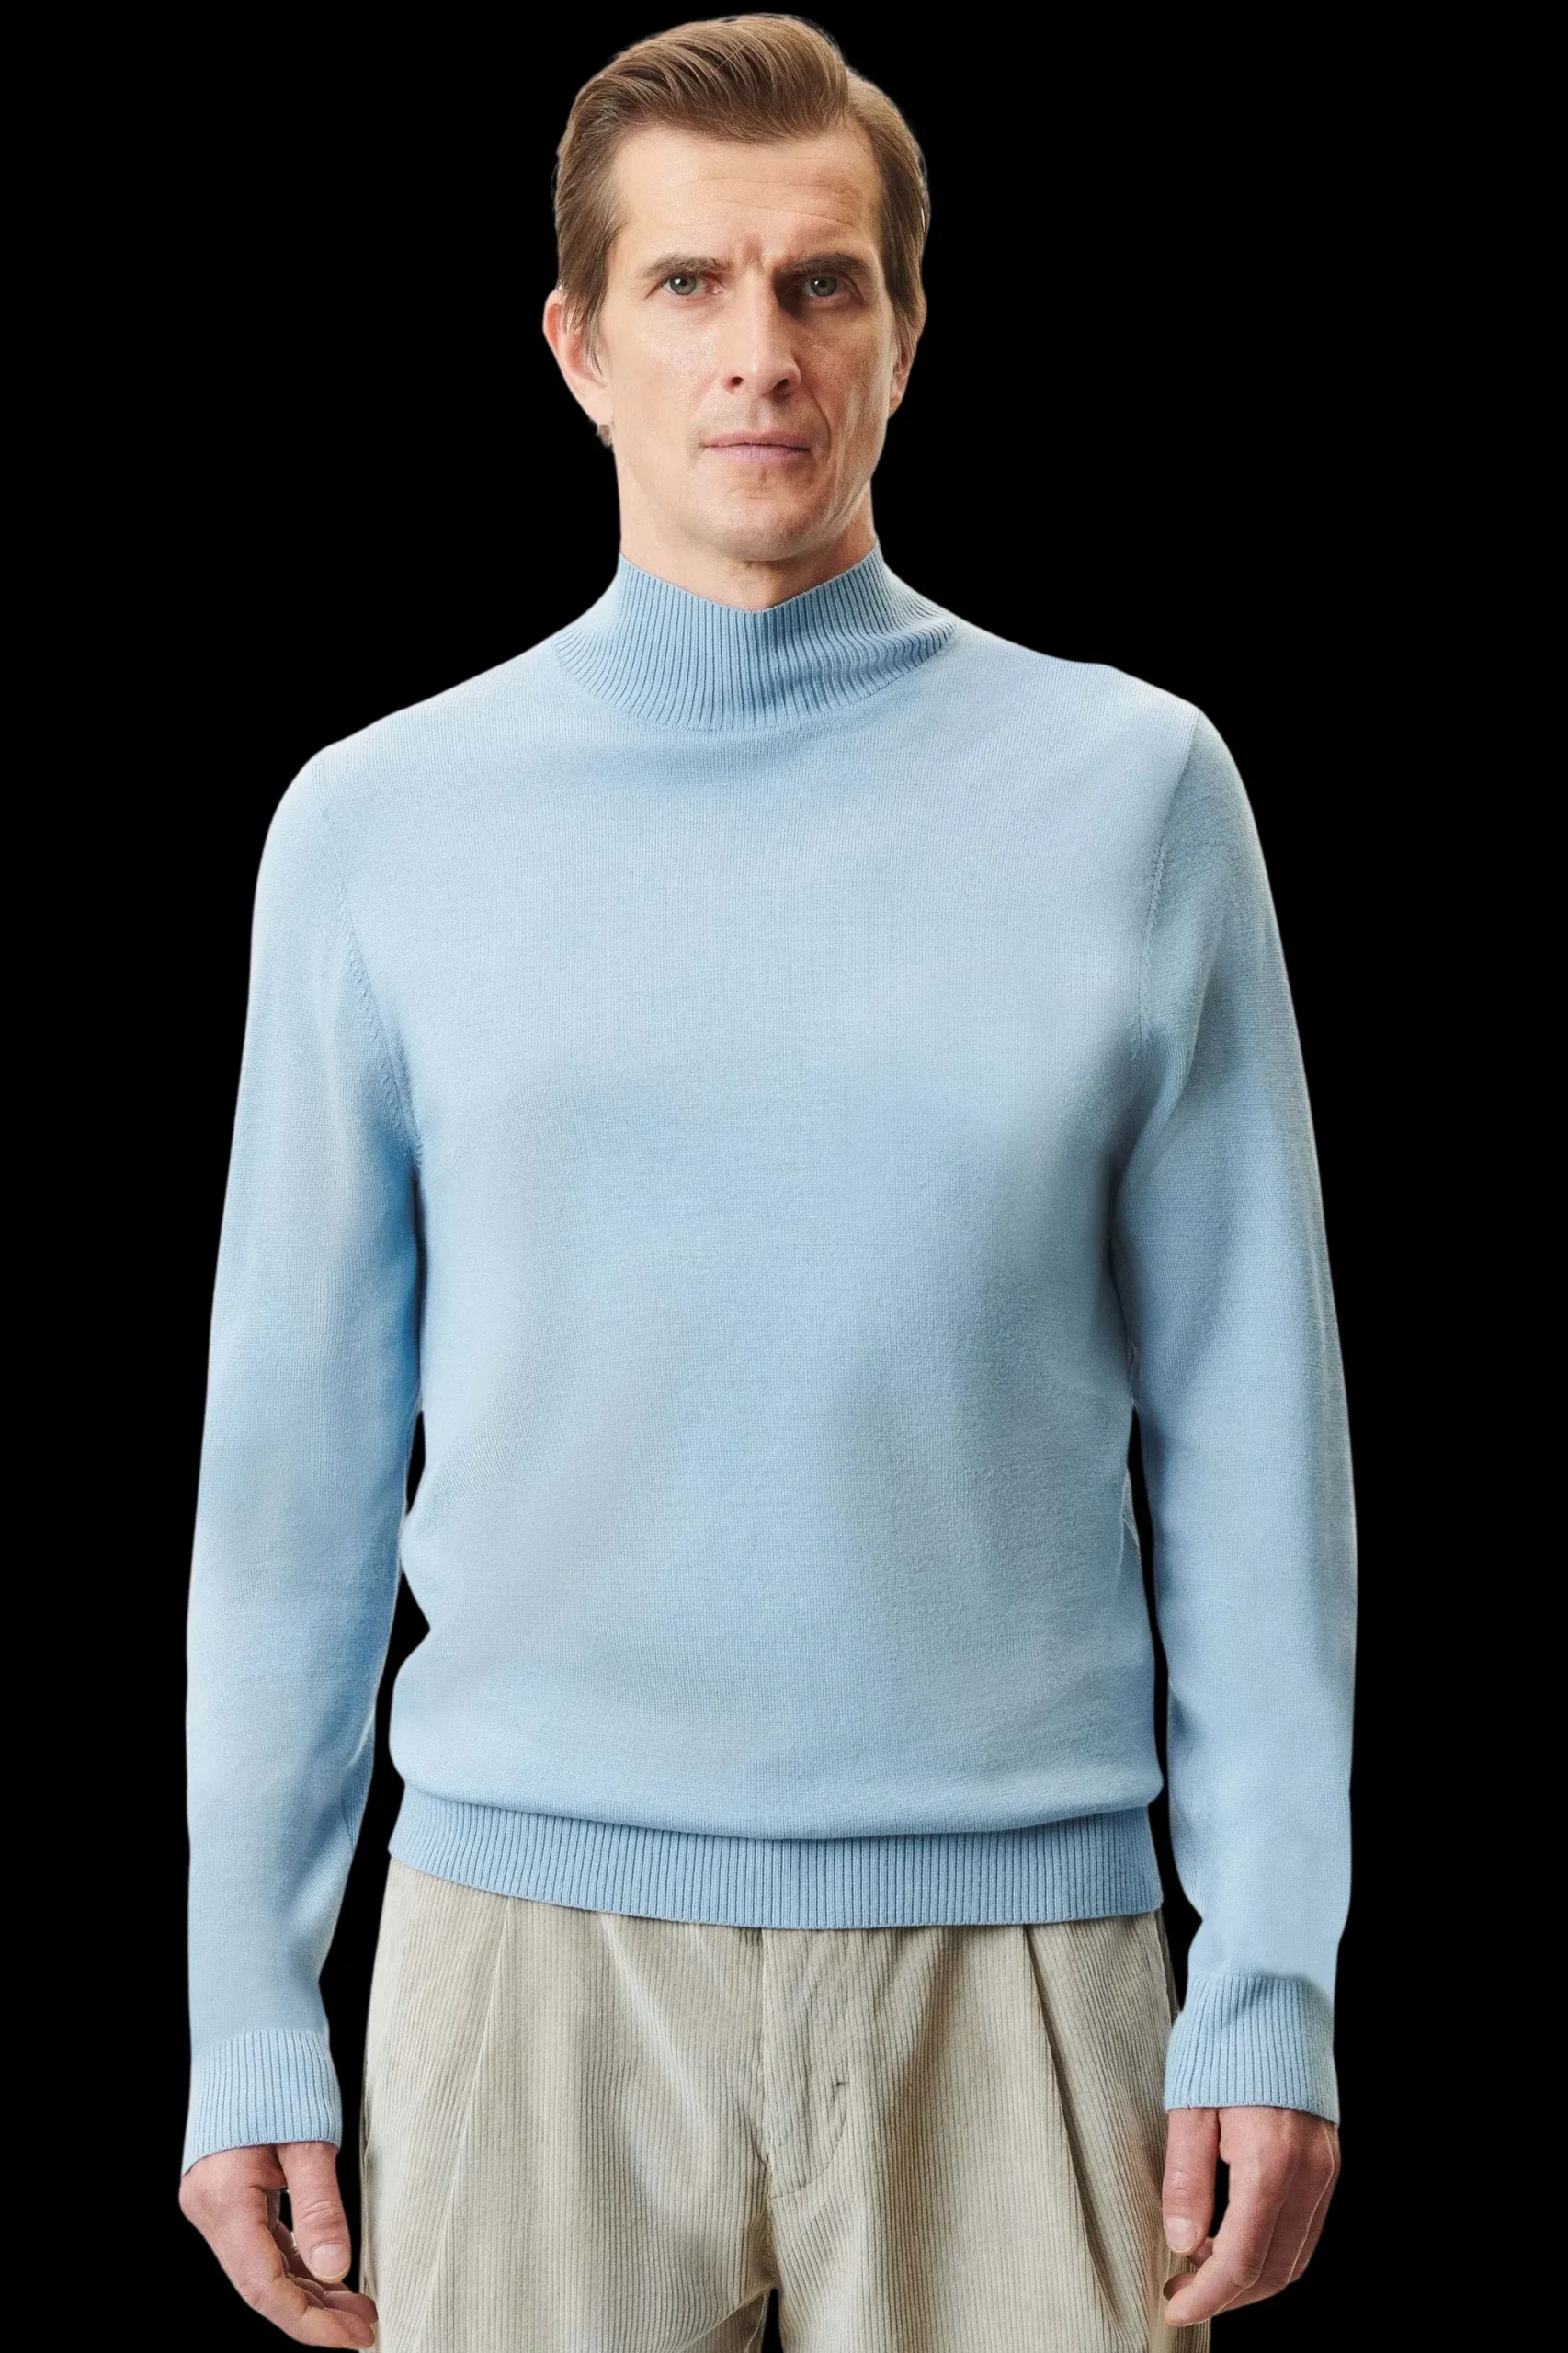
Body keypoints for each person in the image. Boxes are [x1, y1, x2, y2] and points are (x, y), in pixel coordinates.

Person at [177, 17, 1354, 2348]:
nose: (760, 350)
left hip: (1023, 1959)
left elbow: (1255, 1444)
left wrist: (1273, 1970)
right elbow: (288, 1483)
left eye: (824, 283)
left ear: (906, 331)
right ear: (577, 346)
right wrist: (246, 2009)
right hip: (523, 1962)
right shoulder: (379, 827)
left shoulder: (1134, 793)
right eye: (690, 285)